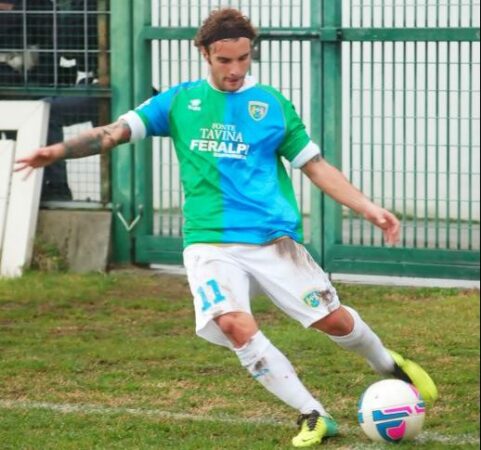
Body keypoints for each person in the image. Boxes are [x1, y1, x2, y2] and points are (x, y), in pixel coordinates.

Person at [15, 8, 438, 448]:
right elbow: (113, 132)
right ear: (204, 53)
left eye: (243, 58)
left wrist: (368, 208)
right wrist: (57, 151)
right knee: (234, 324)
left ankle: (388, 364)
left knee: (332, 320)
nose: (235, 70)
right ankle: (313, 413)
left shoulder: (271, 105)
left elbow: (315, 166)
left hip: (272, 239)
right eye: (225, 60)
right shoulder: (179, 102)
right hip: (208, 242)